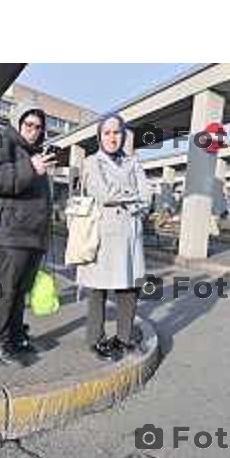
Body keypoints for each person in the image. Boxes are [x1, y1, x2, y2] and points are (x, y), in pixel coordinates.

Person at [0, 103, 54, 365]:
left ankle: (16, 336)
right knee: (4, 291)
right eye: (29, 125)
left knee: (20, 291)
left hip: (33, 236)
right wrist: (30, 168)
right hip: (8, 234)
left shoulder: (36, 153)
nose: (33, 131)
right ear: (17, 122)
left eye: (39, 127)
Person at [76, 114, 151, 361]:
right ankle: (95, 339)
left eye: (116, 132)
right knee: (98, 289)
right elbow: (103, 193)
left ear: (123, 135)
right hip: (104, 235)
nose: (111, 137)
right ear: (99, 136)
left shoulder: (134, 162)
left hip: (130, 236)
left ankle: (124, 337)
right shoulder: (91, 162)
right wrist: (132, 196)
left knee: (129, 288)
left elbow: (147, 196)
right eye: (106, 133)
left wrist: (127, 198)